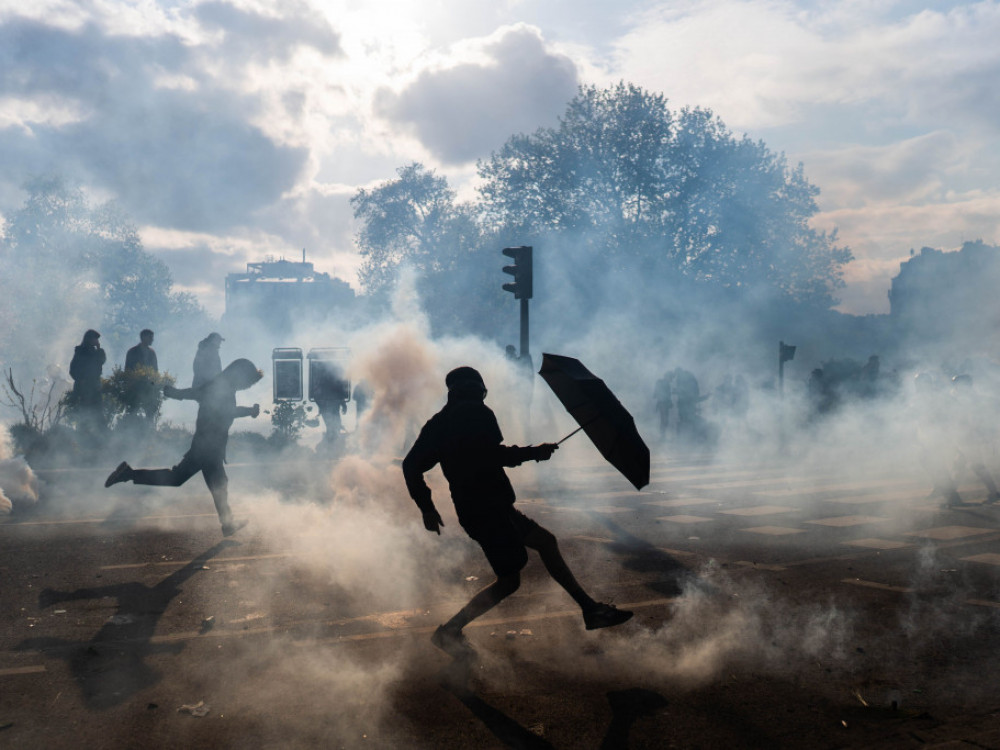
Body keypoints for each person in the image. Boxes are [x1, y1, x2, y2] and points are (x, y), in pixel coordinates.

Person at [402, 366, 632, 659]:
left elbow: (411, 465)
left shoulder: (438, 423)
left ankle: (590, 609)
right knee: (510, 580)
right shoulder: (477, 413)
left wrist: (427, 507)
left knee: (544, 543)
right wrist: (534, 453)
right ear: (477, 390)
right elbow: (493, 455)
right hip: (489, 509)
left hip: (481, 508)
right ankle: (450, 631)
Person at [104, 359, 263, 536]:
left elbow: (195, 394)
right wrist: (249, 411)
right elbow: (224, 410)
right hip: (207, 447)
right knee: (214, 483)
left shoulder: (222, 386)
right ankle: (227, 524)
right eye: (248, 381)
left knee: (187, 479)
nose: (247, 385)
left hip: (208, 445)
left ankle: (128, 473)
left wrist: (174, 393)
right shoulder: (221, 388)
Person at [69, 329, 106, 432]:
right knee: (84, 412)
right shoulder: (80, 351)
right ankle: (82, 434)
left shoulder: (96, 352)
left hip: (95, 387)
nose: (97, 341)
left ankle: (101, 434)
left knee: (98, 412)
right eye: (95, 339)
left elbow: (102, 361)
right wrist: (81, 380)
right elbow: (73, 370)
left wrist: (99, 349)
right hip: (83, 389)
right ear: (89, 339)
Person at [124, 329, 159, 427]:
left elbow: (155, 370)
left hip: (149, 388)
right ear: (144, 337)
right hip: (135, 388)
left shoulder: (152, 353)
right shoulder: (132, 352)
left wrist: (155, 385)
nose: (152, 340)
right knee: (132, 411)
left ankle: (149, 431)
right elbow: (128, 370)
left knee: (150, 412)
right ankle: (130, 430)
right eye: (150, 337)